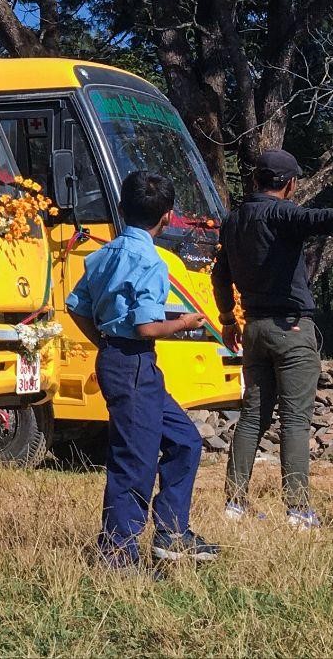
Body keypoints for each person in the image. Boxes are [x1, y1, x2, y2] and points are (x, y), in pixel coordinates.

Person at [212, 148, 333, 528]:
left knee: (252, 417)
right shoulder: (281, 213)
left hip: (254, 328)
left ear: (256, 179)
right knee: (295, 419)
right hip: (291, 328)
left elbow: (219, 275)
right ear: (291, 184)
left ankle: (234, 504)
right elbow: (316, 218)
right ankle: (297, 510)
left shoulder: (233, 221)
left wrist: (229, 318)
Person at [65, 170, 219, 569]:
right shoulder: (151, 261)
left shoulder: (102, 255)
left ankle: (171, 531)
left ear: (120, 208)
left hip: (121, 360)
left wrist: (102, 339)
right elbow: (147, 326)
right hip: (134, 361)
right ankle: (117, 554)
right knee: (135, 460)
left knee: (185, 440)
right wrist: (184, 323)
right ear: (167, 217)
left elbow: (76, 305)